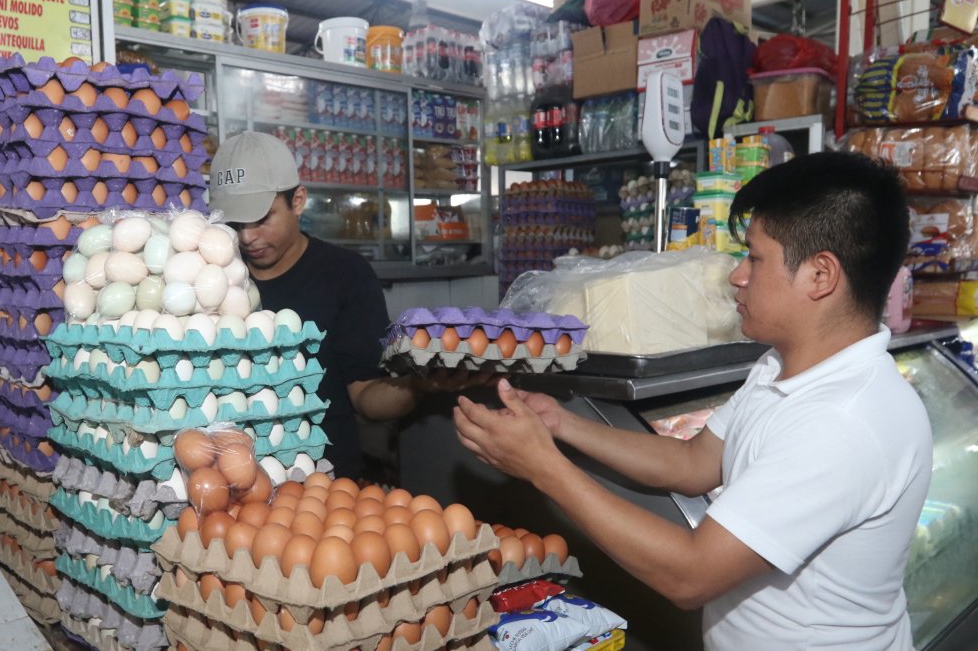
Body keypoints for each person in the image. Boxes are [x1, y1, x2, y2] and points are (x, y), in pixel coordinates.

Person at [453, 152, 931, 650]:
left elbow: (691, 574)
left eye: (755, 257)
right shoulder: (785, 366)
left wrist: (543, 467)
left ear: (820, 276)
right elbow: (693, 462)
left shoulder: (840, 421)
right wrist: (562, 427)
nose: (737, 276)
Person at [207, 131, 479, 479]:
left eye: (262, 219)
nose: (247, 238)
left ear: (299, 201)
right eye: (234, 223)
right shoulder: (211, 277)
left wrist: (417, 385)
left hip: (325, 484)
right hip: (226, 479)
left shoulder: (344, 276)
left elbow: (366, 396)